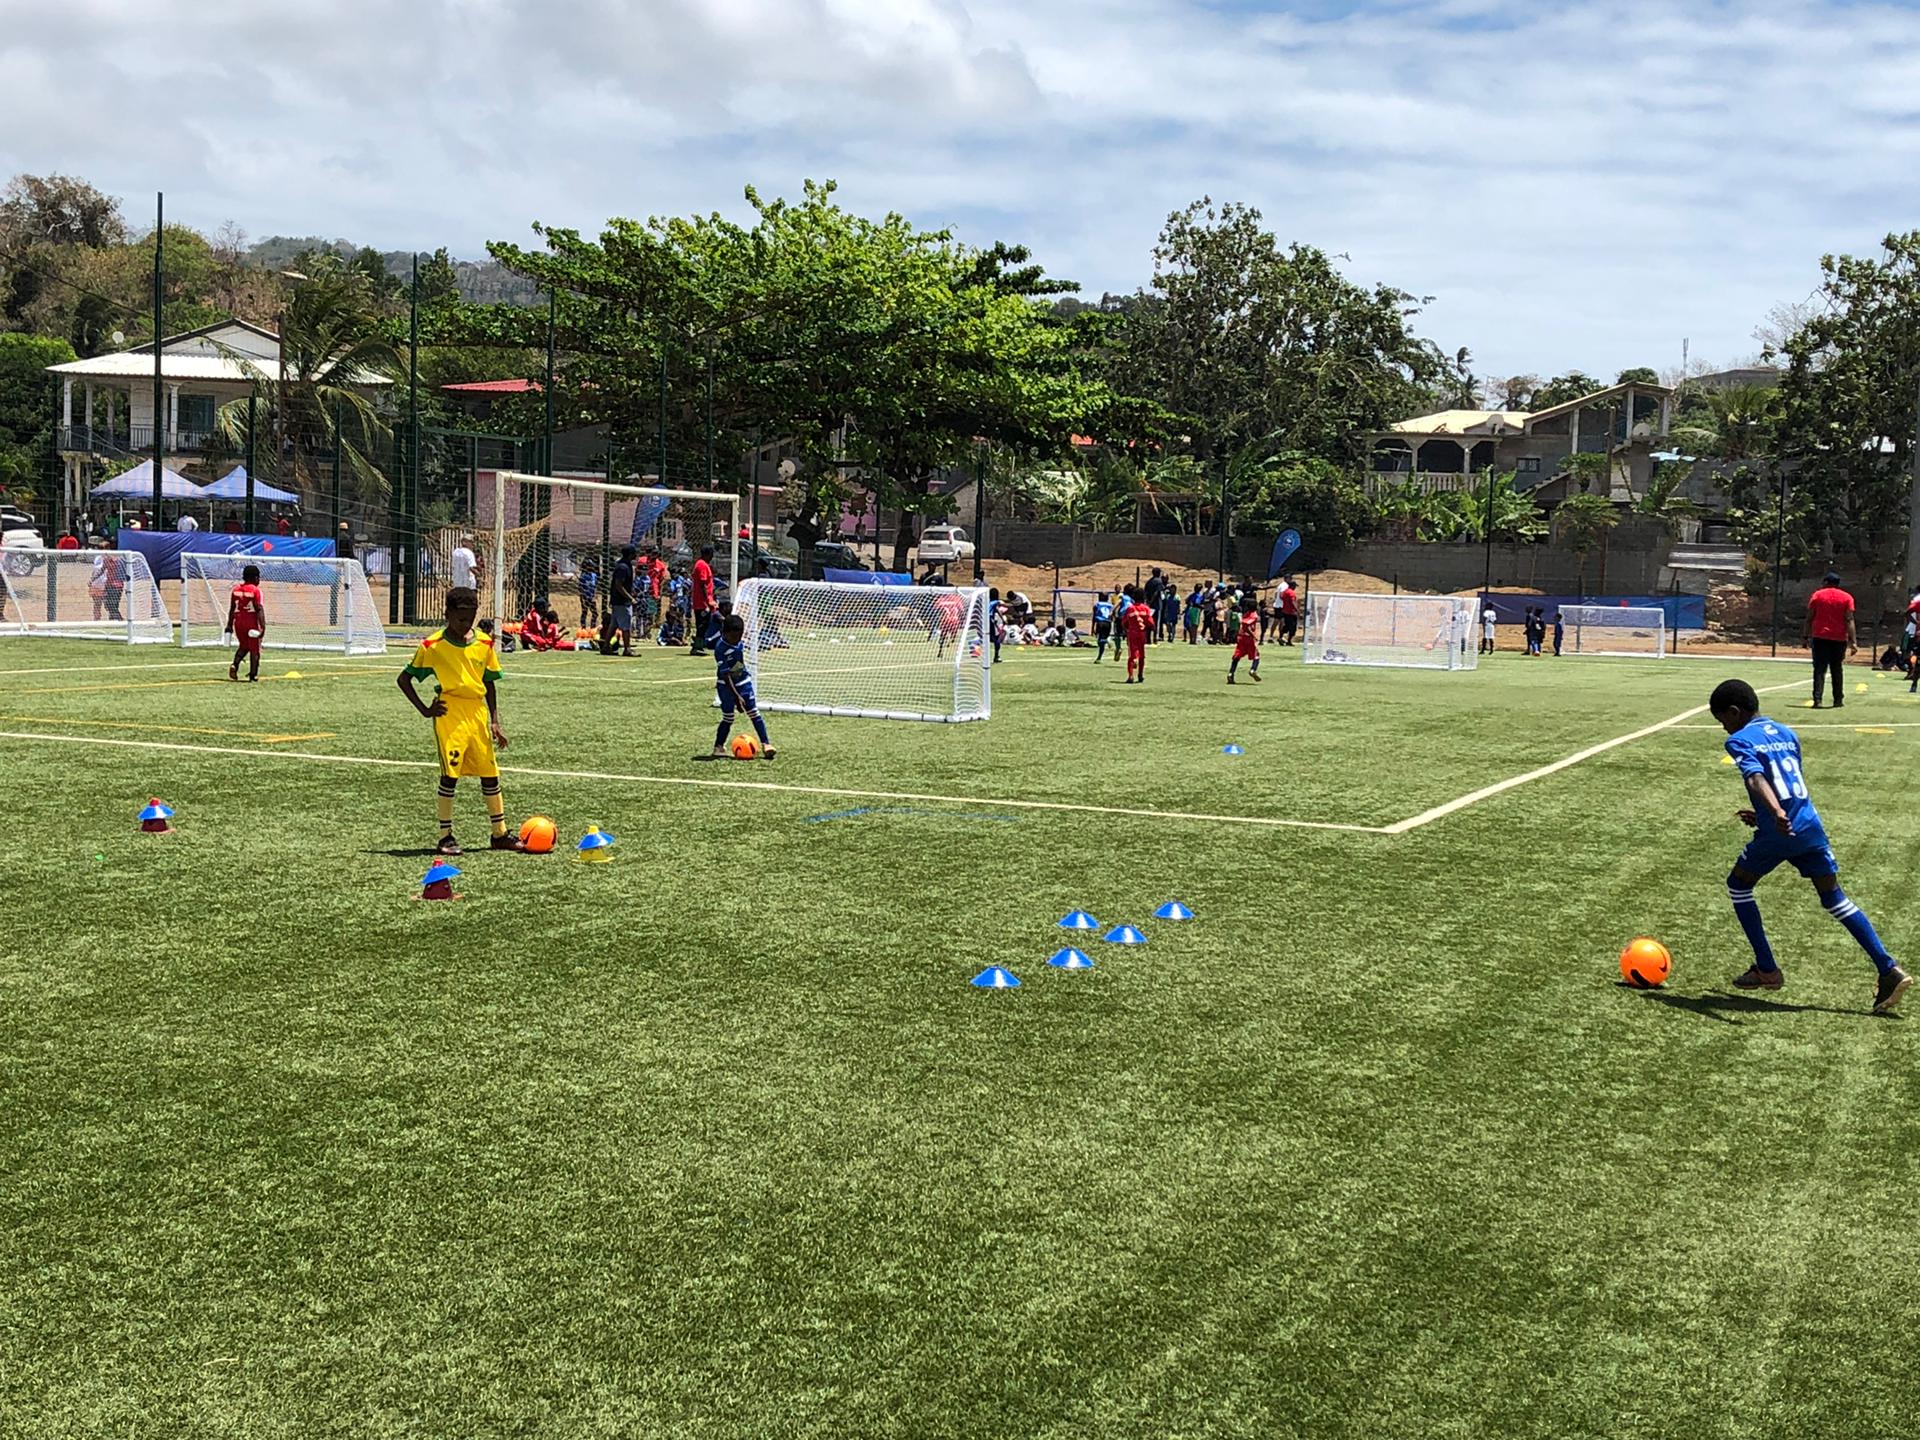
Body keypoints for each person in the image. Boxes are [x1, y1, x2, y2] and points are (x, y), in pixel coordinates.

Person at [1711, 678, 1909, 1013]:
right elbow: (1790, 784)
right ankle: (1888, 968)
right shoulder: (1787, 733)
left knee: (1739, 885)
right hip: (1810, 826)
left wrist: (1773, 812)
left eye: (1724, 721)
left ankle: (1767, 969)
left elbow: (1756, 777)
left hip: (1781, 831)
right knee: (1834, 897)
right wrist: (1765, 812)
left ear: (1734, 712)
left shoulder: (1741, 740)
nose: (1724, 729)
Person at [396, 586, 527, 857]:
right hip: (450, 715)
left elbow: (489, 683)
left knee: (490, 774)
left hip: (477, 715)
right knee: (450, 775)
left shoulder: (484, 643)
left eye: (470, 619)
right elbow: (404, 679)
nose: (465, 624)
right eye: (459, 619)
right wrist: (424, 709)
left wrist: (494, 721)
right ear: (447, 614)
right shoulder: (433, 646)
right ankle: (445, 837)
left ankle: (499, 834)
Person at [708, 612, 776, 760]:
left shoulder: (738, 642)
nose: (737, 640)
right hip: (726, 686)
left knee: (754, 712)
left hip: (743, 681)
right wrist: (736, 697)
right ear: (724, 633)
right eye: (734, 637)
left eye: (739, 636)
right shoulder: (720, 648)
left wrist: (741, 684)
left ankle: (766, 744)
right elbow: (726, 675)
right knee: (728, 717)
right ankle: (718, 746)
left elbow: (739, 662)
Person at [1804, 570, 1856, 708]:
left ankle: (1818, 699)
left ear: (1826, 582)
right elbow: (1849, 619)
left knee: (1819, 669)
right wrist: (1853, 641)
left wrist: (1805, 636)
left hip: (1820, 636)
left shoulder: (1817, 595)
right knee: (1837, 668)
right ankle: (1838, 699)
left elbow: (1809, 617)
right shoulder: (1847, 597)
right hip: (1839, 638)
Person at [223, 562, 266, 682]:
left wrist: (229, 625)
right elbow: (258, 608)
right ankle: (253, 674)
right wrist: (263, 626)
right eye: (258, 577)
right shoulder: (255, 591)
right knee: (255, 649)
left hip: (238, 622)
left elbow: (232, 609)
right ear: (255, 577)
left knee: (244, 646)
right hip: (251, 621)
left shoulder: (236, 590)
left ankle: (235, 664)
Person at [1122, 585, 1153, 684]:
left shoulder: (1130, 609)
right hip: (1142, 634)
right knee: (1142, 655)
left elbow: (1124, 622)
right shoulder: (1146, 609)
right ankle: (1140, 674)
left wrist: (1126, 630)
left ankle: (1131, 676)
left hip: (1132, 633)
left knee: (1132, 654)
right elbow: (1150, 622)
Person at [609, 545, 637, 656]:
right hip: (622, 601)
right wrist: (630, 598)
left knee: (614, 625)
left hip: (618, 600)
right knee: (626, 625)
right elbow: (618, 585)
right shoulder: (623, 567)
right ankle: (627, 649)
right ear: (630, 554)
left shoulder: (626, 565)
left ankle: (606, 646)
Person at [690, 544, 717, 655]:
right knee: (702, 624)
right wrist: (708, 600)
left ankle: (699, 644)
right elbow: (702, 584)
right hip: (702, 602)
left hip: (703, 601)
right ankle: (697, 646)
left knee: (704, 624)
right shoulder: (702, 565)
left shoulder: (702, 564)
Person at [1227, 596, 1262, 684]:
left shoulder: (1246, 614)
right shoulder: (1254, 615)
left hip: (1241, 637)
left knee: (1237, 656)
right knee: (1256, 655)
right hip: (1248, 638)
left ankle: (1231, 673)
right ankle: (1253, 670)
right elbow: (1246, 625)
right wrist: (1253, 635)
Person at [1092, 590, 1115, 663]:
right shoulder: (1111, 605)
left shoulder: (1097, 605)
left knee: (1100, 641)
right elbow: (1112, 615)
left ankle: (1099, 657)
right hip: (1108, 623)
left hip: (1100, 622)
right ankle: (1099, 658)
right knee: (1103, 639)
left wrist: (1092, 628)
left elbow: (1094, 617)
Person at [578, 557, 600, 629]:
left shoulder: (594, 575)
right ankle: (583, 628)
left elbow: (595, 586)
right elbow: (580, 588)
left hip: (591, 597)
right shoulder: (583, 576)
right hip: (585, 597)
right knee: (584, 612)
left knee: (595, 613)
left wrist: (595, 595)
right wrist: (583, 598)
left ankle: (592, 627)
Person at [987, 587, 1006, 664]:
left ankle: (975, 651)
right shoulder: (996, 602)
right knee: (996, 638)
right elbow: (998, 609)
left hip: (983, 619)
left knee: (985, 637)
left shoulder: (986, 601)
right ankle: (996, 656)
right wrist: (1003, 619)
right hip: (989, 619)